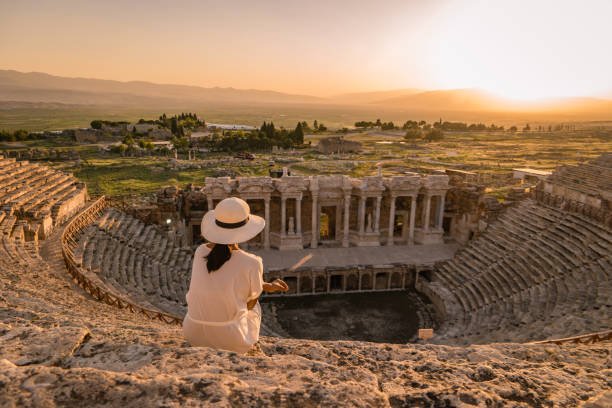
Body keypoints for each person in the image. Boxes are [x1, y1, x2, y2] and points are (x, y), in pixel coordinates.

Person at [183, 197, 289, 353]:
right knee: (255, 307)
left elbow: (220, 281)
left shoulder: (200, 252)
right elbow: (249, 305)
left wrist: (266, 286)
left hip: (193, 333)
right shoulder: (252, 262)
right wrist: (260, 289)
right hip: (230, 340)